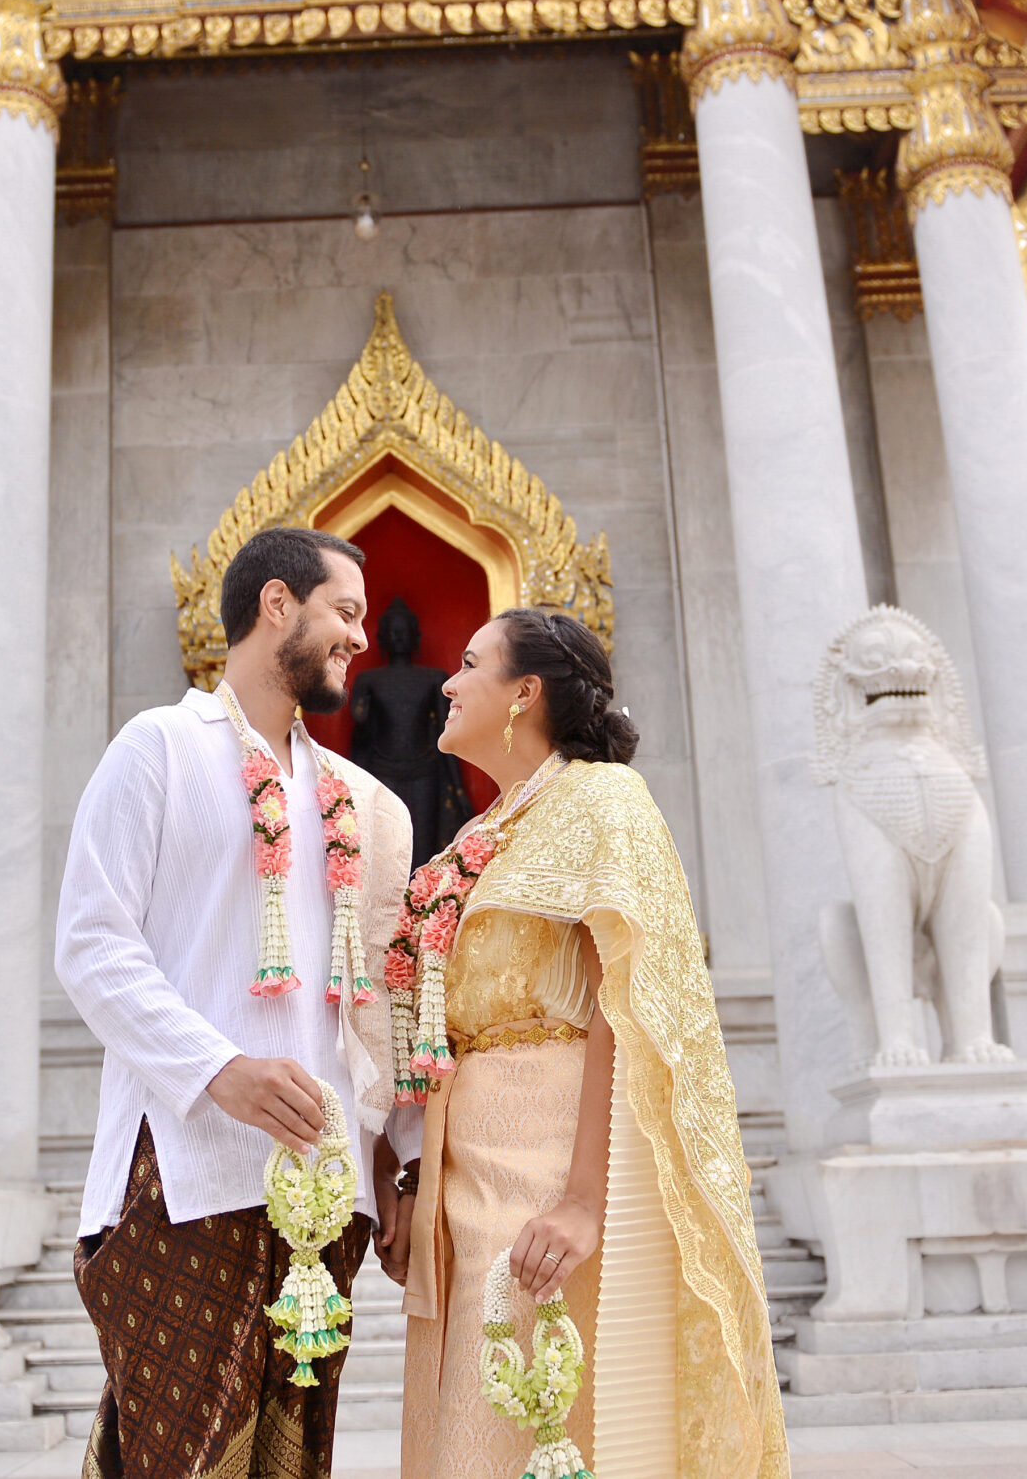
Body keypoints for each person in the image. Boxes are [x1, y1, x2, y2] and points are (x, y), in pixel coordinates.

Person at [382, 607, 789, 1479]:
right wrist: (411, 1177)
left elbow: (626, 998)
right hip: (465, 1166)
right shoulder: (480, 836)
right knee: (470, 1424)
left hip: (552, 1154)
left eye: (470, 663)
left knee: (535, 1416)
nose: (448, 682)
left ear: (524, 692)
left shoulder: (602, 798)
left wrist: (582, 1199)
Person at [55, 526, 415, 1479]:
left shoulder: (365, 803)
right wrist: (220, 1069)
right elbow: (91, 942)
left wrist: (397, 1159)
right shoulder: (160, 748)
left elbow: (380, 999)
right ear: (276, 603)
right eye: (344, 611)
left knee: (296, 1465)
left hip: (326, 1196)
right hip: (186, 1175)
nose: (361, 638)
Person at [348, 597, 474, 860]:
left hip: (424, 770)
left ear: (415, 636)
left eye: (403, 631)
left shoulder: (433, 678)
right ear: (381, 638)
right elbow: (360, 738)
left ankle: (425, 887)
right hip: (382, 770)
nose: (398, 637)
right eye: (392, 631)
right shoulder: (368, 680)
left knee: (423, 843)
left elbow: (446, 733)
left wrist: (458, 789)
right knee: (385, 844)